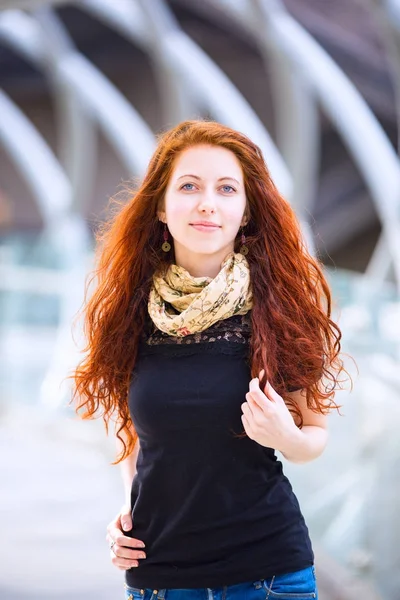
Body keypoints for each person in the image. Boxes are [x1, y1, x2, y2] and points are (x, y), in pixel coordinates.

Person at [72, 120, 346, 600]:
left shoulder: (279, 310)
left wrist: (287, 436)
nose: (207, 203)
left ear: (244, 212)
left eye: (226, 189)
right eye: (189, 186)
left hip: (268, 575)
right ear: (161, 205)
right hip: (158, 576)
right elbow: (132, 431)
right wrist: (129, 509)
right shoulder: (129, 313)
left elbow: (314, 437)